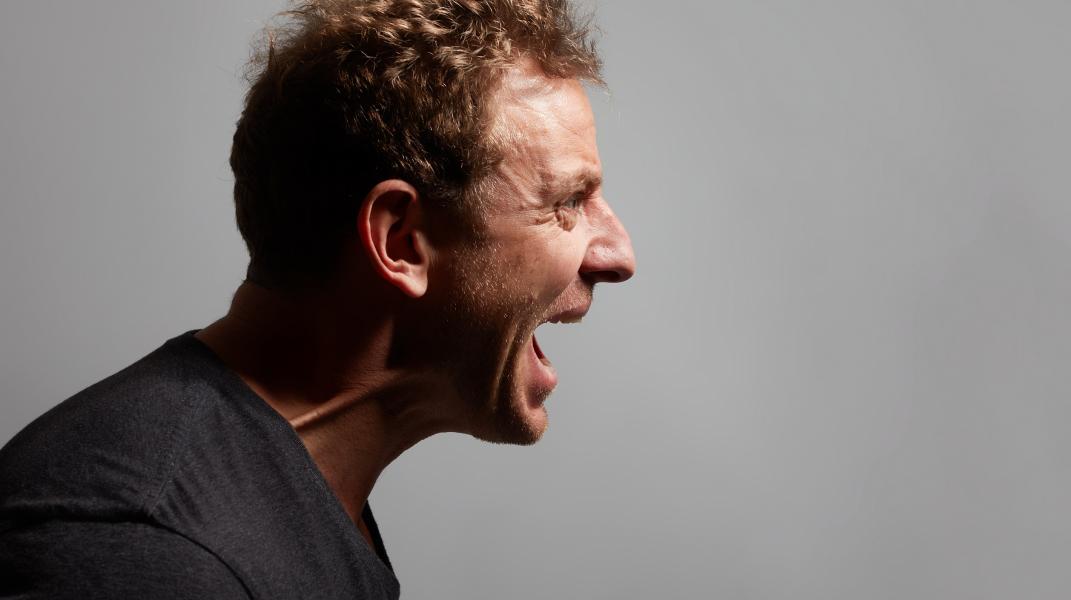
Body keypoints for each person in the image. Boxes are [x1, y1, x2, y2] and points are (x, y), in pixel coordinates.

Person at [0, 0, 635, 598]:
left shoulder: (276, 498)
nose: (618, 256)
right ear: (401, 240)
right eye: (568, 203)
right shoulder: (141, 556)